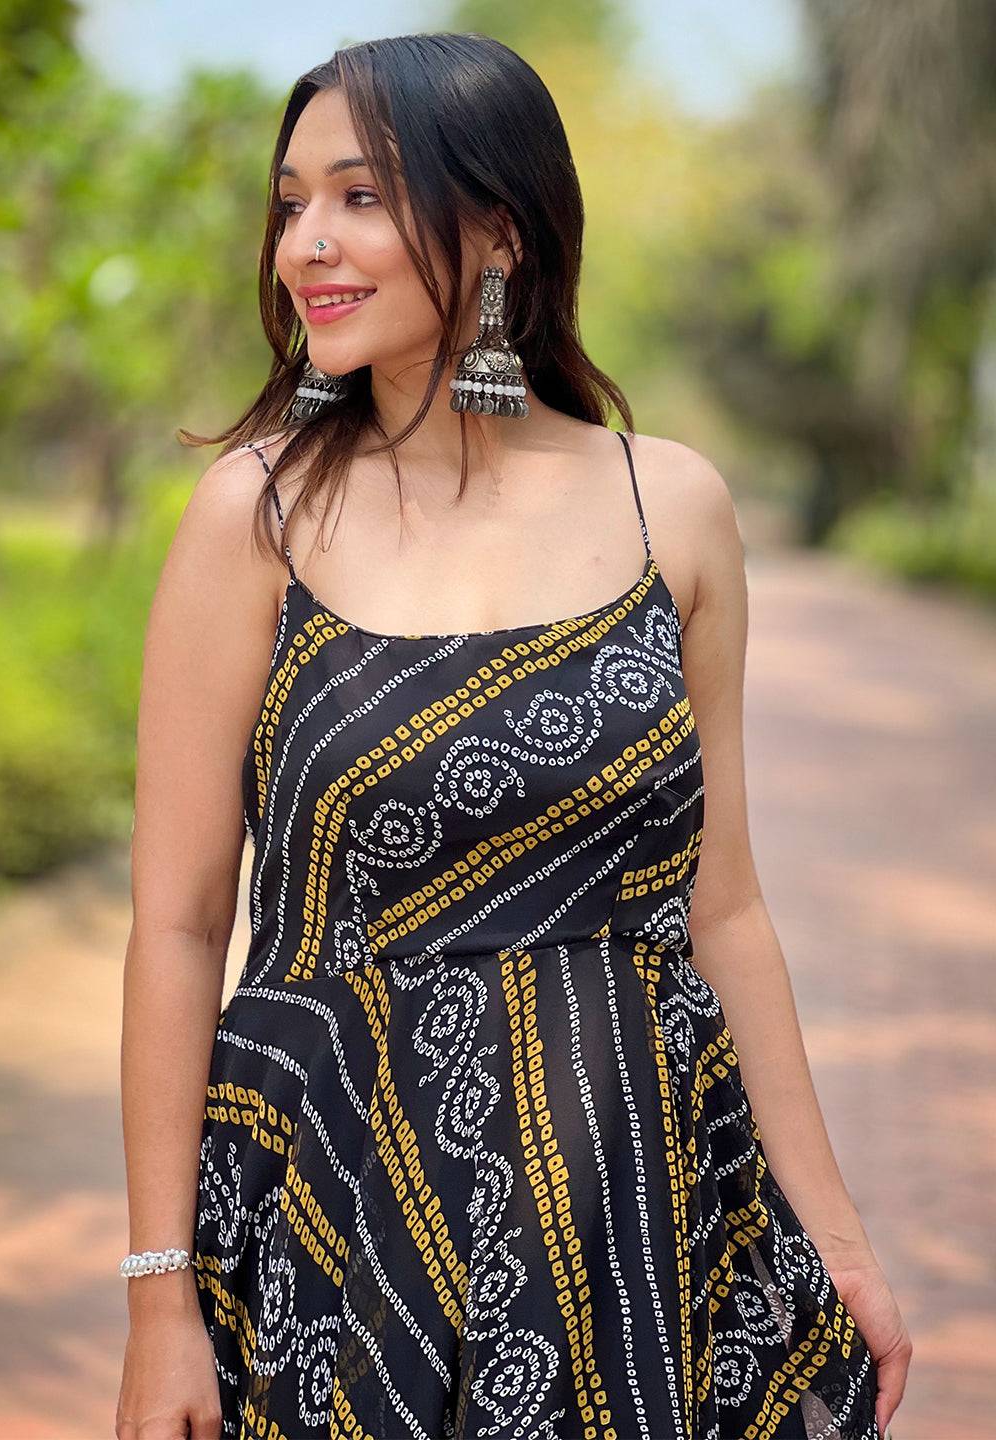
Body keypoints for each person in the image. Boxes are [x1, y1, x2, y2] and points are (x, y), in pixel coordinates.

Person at [115, 31, 910, 1440]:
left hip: (638, 1218)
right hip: (339, 1225)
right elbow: (178, 926)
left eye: (359, 196)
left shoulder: (672, 505)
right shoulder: (259, 513)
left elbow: (724, 906)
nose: (306, 244)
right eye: (290, 204)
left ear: (499, 229)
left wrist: (835, 1235)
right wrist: (157, 1301)